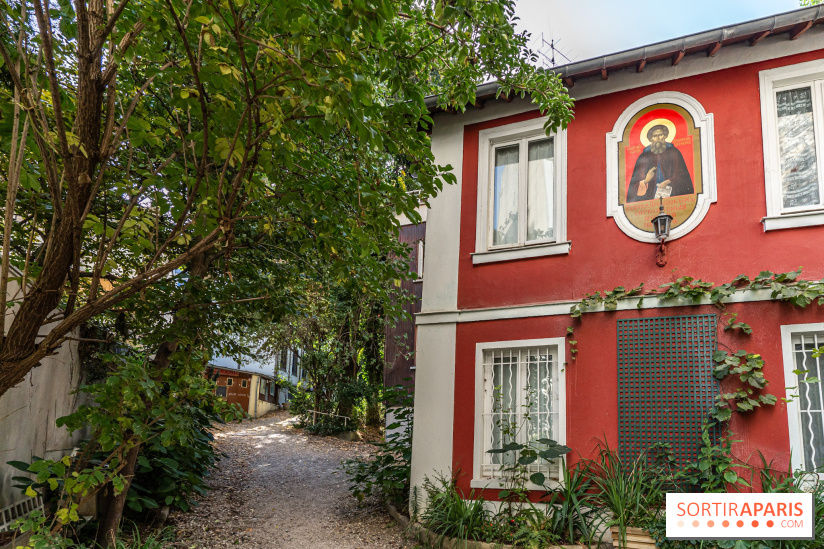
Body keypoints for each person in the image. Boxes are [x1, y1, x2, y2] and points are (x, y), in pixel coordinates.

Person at [626, 125, 694, 203]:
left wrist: (669, 181)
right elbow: (634, 184)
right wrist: (645, 181)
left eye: (660, 135)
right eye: (655, 136)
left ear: (665, 136)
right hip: (650, 199)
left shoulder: (674, 152)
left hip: (671, 196)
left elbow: (683, 176)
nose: (658, 139)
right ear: (651, 139)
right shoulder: (644, 157)